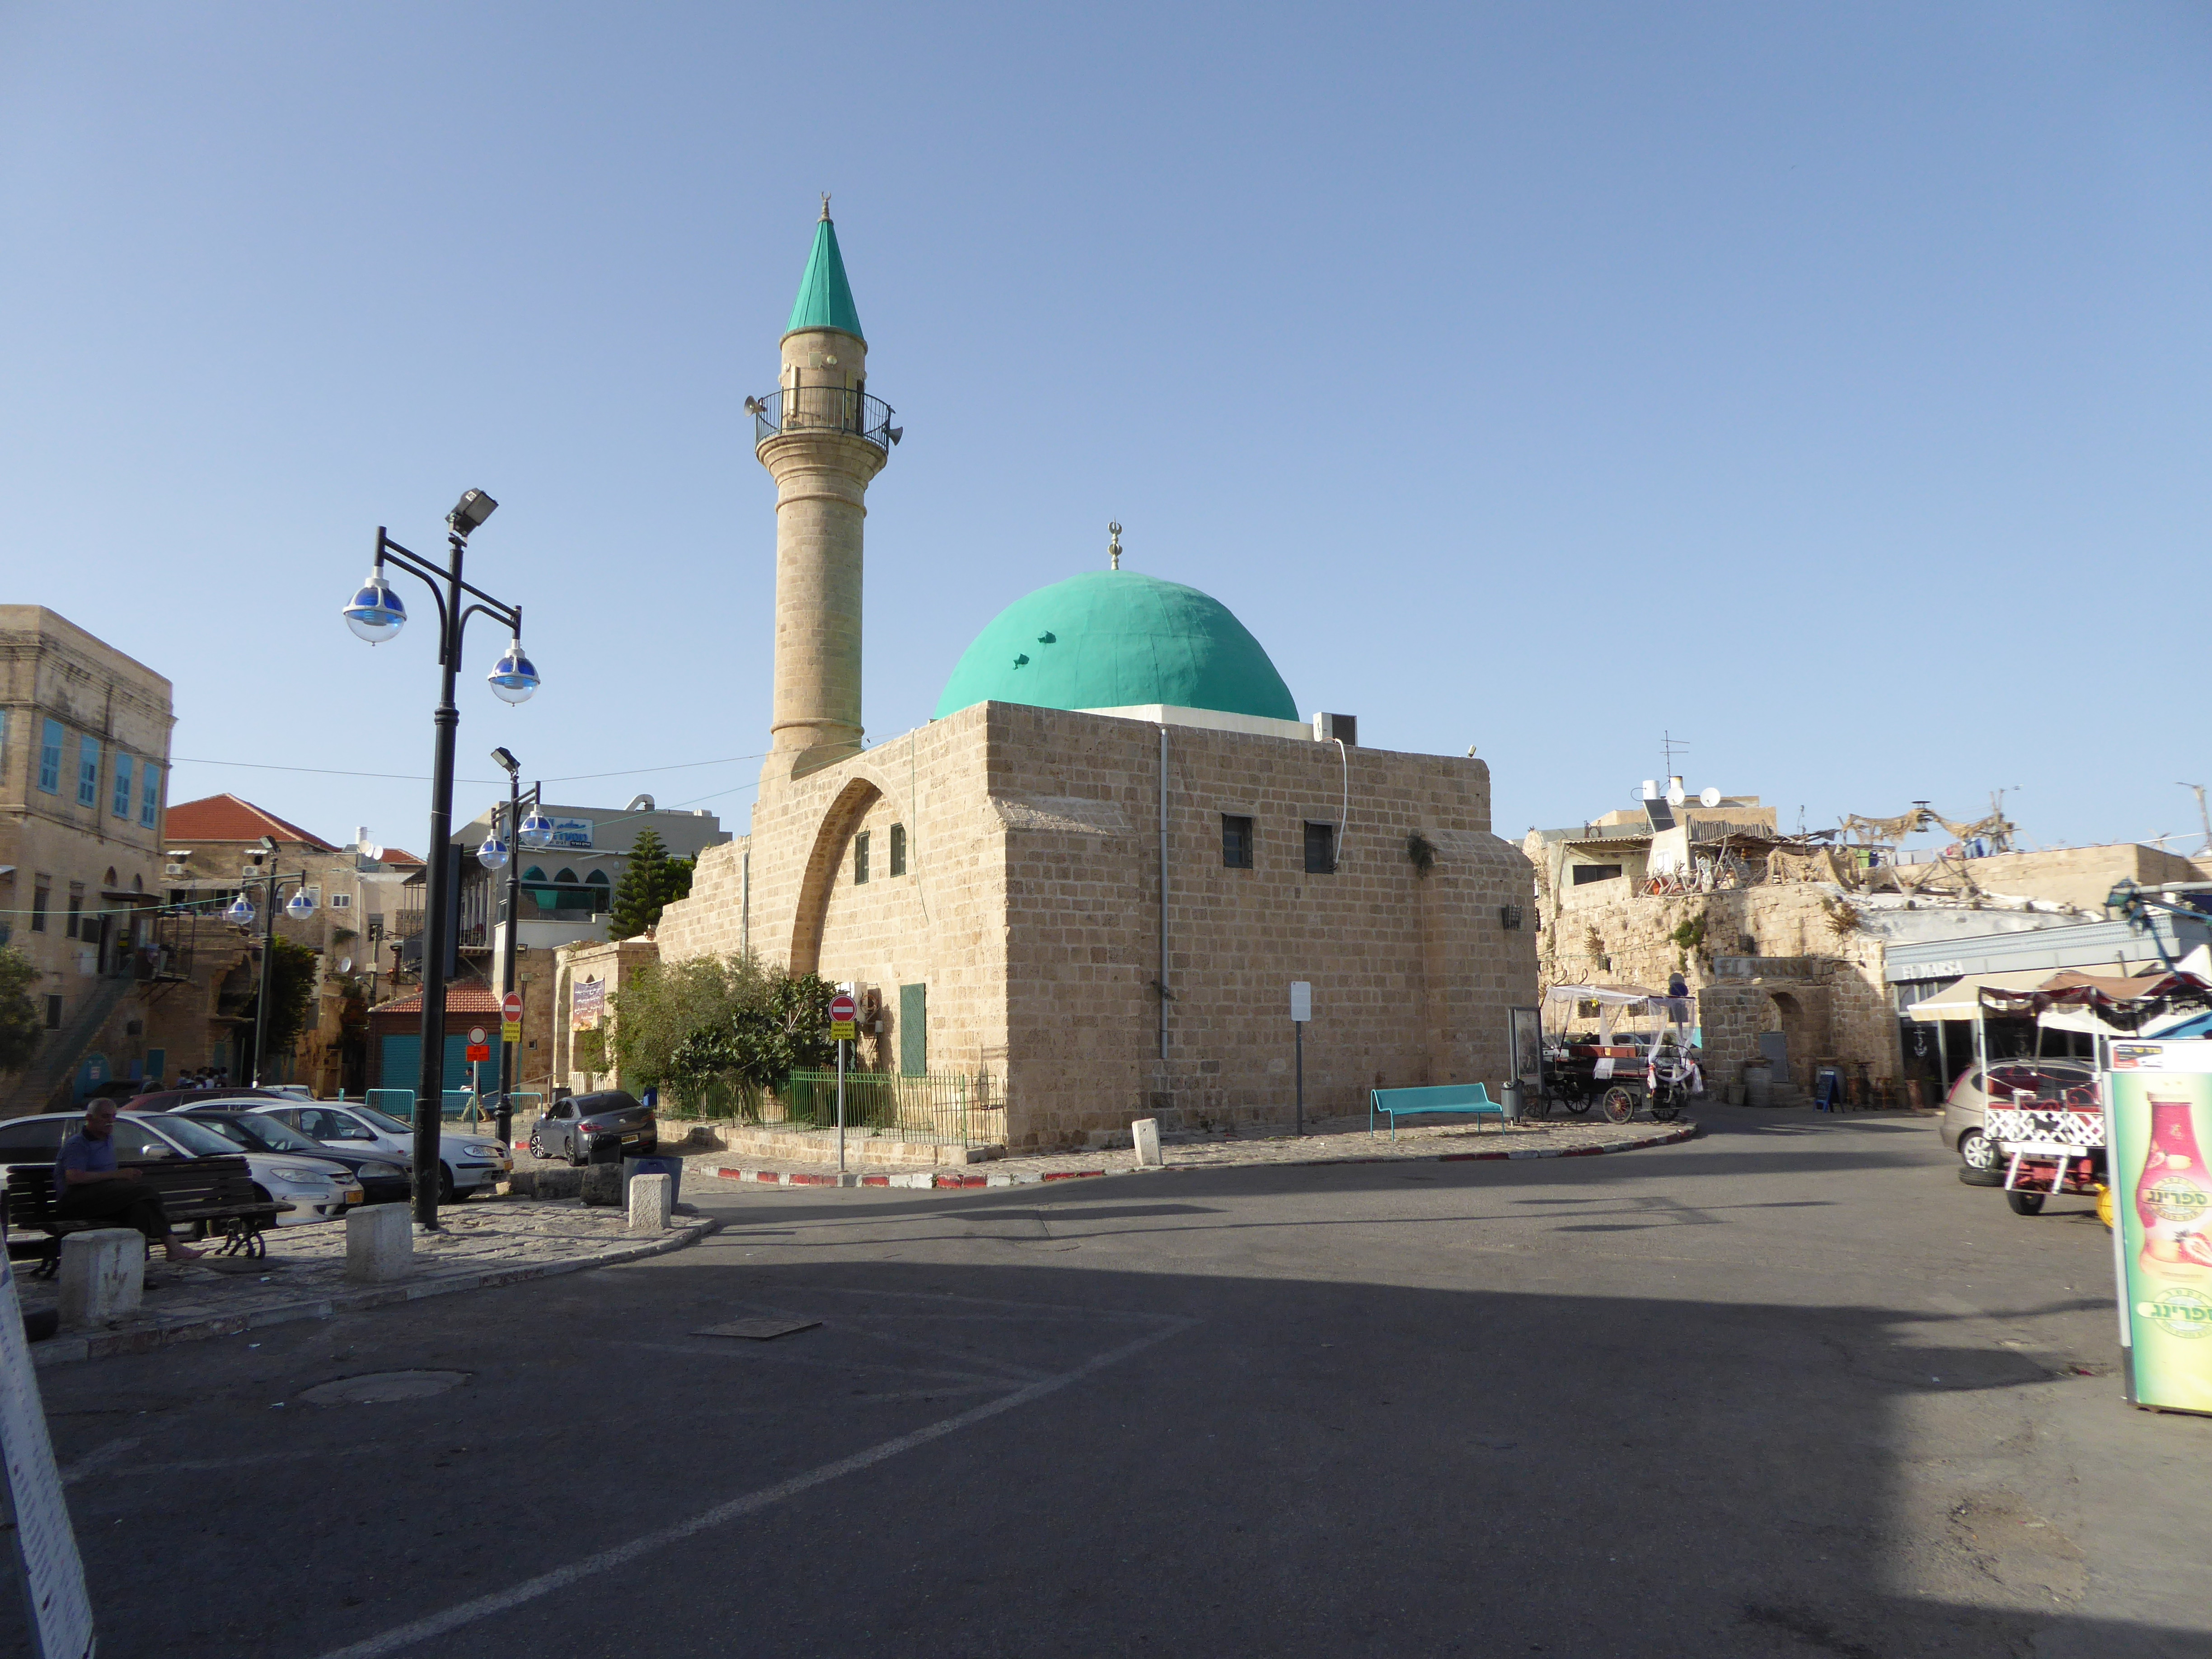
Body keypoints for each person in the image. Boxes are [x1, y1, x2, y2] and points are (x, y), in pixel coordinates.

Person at [54, 1101, 202, 1262]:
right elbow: (74, 1178)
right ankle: (173, 1246)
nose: (110, 1121)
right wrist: (117, 1175)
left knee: (140, 1209)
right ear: (90, 1118)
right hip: (75, 1202)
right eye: (105, 1117)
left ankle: (136, 1267)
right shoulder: (78, 1144)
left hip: (102, 1198)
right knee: (147, 1192)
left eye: (113, 1116)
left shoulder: (107, 1139)